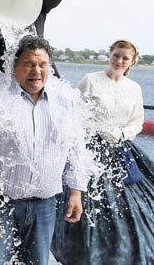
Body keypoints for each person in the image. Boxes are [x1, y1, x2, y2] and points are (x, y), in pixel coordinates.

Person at [0, 35, 90, 264]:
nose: (36, 70)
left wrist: (76, 192)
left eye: (42, 64)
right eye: (29, 64)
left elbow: (76, 149)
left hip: (44, 205)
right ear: (14, 67)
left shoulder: (65, 101)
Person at [51, 39, 154, 264]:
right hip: (89, 151)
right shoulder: (90, 80)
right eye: (116, 55)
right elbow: (73, 114)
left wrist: (120, 134)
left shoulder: (134, 88)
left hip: (119, 151)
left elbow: (137, 123)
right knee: (87, 203)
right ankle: (85, 254)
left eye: (125, 58)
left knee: (125, 206)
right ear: (110, 54)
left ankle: (120, 254)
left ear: (132, 61)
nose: (119, 61)